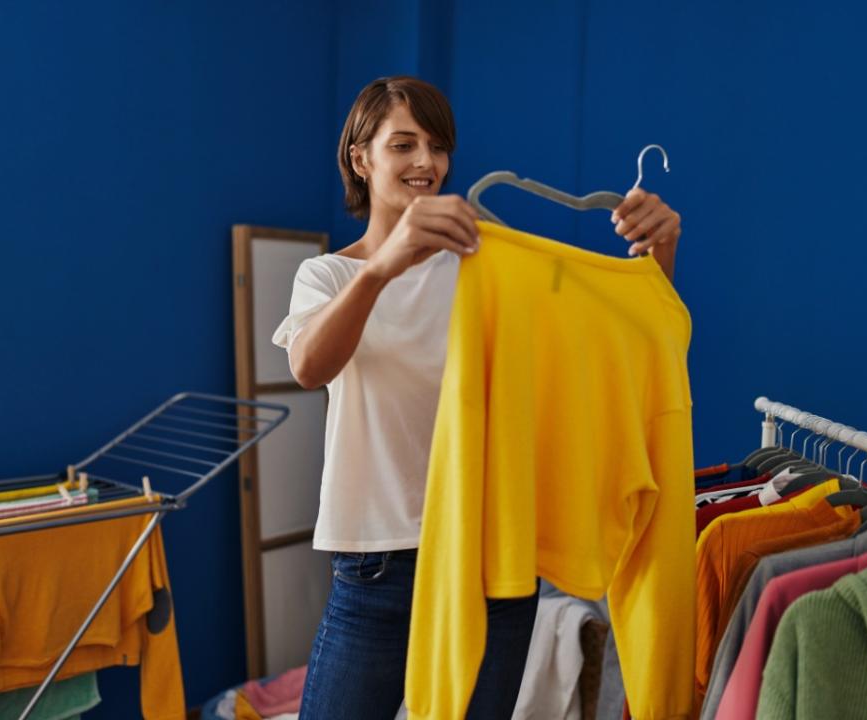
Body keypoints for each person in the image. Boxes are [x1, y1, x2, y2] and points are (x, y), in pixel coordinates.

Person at [272, 75, 683, 720]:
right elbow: (309, 364)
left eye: (437, 147)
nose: (425, 163)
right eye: (403, 144)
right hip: (374, 569)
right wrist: (385, 267)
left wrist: (658, 258)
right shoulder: (330, 274)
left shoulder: (486, 270)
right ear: (361, 157)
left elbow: (618, 342)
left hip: (490, 558)